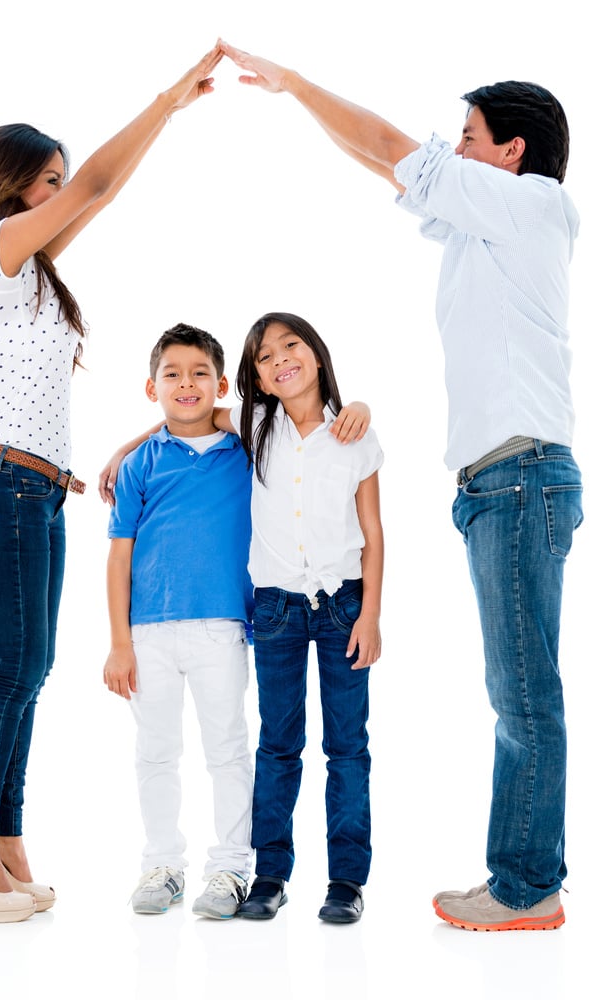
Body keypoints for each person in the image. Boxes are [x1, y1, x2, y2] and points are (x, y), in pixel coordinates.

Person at [219, 41, 583, 932]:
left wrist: (295, 83)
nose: (450, 148)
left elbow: (389, 145)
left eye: (467, 135)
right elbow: (388, 164)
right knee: (518, 689)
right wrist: (314, 115)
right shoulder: (483, 221)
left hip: (518, 475)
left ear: (511, 151)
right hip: (498, 481)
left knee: (523, 693)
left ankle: (526, 889)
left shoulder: (531, 202)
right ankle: (523, 881)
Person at [0, 46, 224, 925]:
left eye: (60, 179)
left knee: (31, 670)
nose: (60, 193)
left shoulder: (34, 268)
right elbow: (97, 187)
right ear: (12, 184)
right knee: (11, 667)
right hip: (3, 490)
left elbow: (101, 190)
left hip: (39, 493)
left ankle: (6, 839)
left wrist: (143, 432)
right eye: (46, 180)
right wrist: (168, 100)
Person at [214, 312, 384, 924]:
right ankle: (270, 875)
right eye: (264, 356)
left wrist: (370, 615)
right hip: (277, 609)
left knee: (347, 748)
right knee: (278, 746)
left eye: (291, 345)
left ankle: (345, 882)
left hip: (342, 605)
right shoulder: (254, 424)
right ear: (256, 376)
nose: (280, 359)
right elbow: (186, 414)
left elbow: (372, 533)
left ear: (316, 352)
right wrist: (128, 449)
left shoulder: (354, 432)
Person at [102, 323, 255, 920]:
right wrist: (120, 643)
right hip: (149, 633)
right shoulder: (141, 465)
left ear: (219, 385)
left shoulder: (245, 448)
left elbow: (262, 416)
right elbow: (119, 557)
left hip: (222, 626)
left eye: (199, 374)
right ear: (151, 386)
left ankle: (229, 870)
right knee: (156, 752)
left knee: (228, 750)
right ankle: (161, 866)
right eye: (172, 374)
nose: (185, 384)